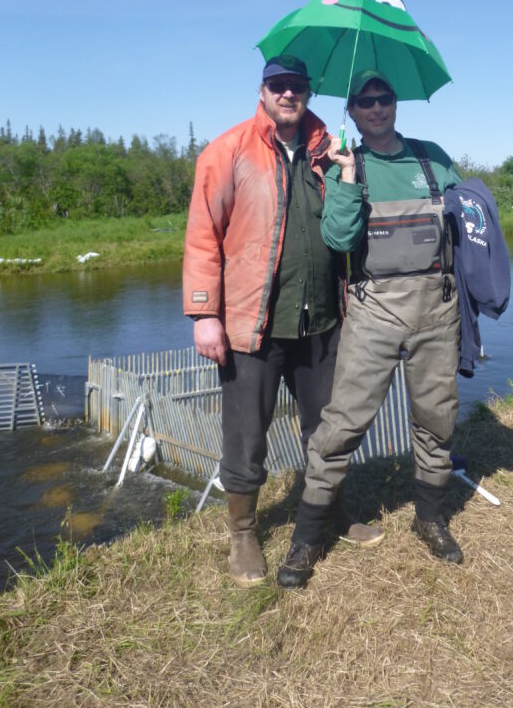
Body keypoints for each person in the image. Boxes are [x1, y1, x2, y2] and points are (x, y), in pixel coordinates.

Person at [183, 55, 383, 588]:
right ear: (263, 90)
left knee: (328, 429)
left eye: (297, 86)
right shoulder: (227, 151)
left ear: (309, 92)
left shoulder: (329, 150)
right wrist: (205, 313)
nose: (288, 95)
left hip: (322, 320)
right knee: (246, 436)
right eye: (278, 86)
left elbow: (351, 227)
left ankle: (331, 514)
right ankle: (244, 532)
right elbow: (203, 235)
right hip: (253, 325)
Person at [277, 69, 464, 589]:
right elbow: (338, 237)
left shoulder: (432, 158)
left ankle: (429, 517)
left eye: (384, 98)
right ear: (353, 111)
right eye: (364, 101)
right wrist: (348, 180)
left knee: (437, 417)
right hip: (373, 312)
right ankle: (308, 537)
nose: (376, 108)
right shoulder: (345, 164)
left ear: (396, 104)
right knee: (342, 425)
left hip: (436, 308)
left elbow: (468, 218)